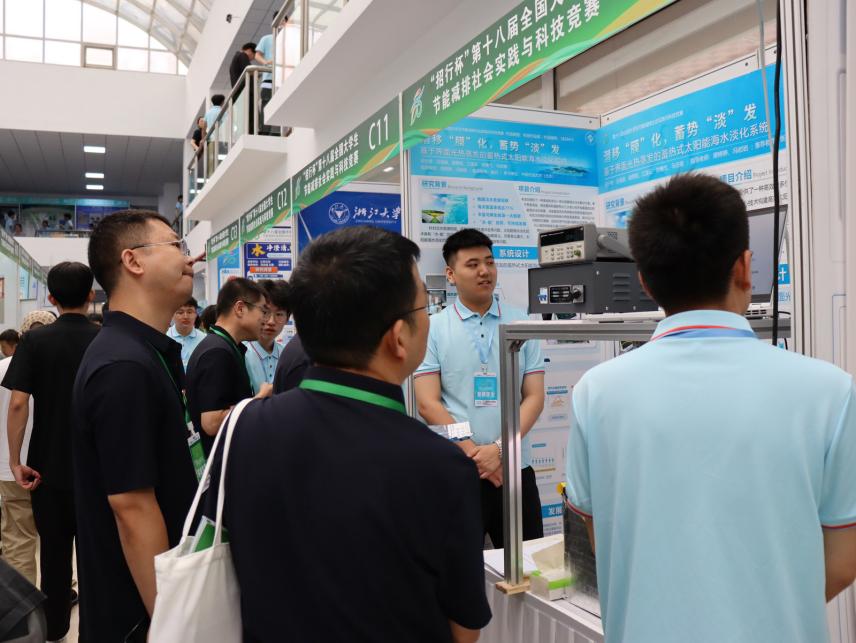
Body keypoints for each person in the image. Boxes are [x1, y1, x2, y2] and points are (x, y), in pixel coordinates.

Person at [565, 174, 856, 643]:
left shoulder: (594, 393)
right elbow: (842, 562)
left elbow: (605, 544)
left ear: (644, 282)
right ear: (745, 267)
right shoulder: (830, 392)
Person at [207, 226, 491, 641]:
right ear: (398, 337)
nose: (429, 317)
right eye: (423, 306)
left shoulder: (243, 428)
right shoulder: (440, 467)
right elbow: (464, 630)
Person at [72, 210, 202, 642]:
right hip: (136, 614)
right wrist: (171, 626)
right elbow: (132, 508)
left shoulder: (143, 352)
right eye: (176, 245)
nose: (189, 258)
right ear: (133, 260)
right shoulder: (123, 366)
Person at [414, 229, 545, 548]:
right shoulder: (433, 328)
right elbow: (428, 404)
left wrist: (498, 450)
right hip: (457, 471)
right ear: (451, 274)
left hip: (514, 470)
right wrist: (475, 454)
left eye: (489, 262)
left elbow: (534, 397)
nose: (484, 271)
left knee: (526, 566)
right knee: (456, 570)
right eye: (472, 264)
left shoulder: (522, 324)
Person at [2, 263, 99, 643]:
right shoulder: (104, 338)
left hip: (47, 467)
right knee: (95, 555)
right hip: (95, 467)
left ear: (51, 297)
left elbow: (18, 403)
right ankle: (94, 629)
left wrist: (15, 461)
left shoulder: (35, 342)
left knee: (54, 558)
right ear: (90, 295)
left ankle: (55, 629)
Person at [186, 278, 271, 452]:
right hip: (218, 460)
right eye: (263, 311)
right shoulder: (217, 352)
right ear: (240, 308)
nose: (266, 320)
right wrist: (259, 399)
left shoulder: (223, 346)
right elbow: (211, 423)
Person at [0, 319, 38, 585]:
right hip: (50, 464)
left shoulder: (3, 367)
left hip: (9, 467)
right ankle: (60, 593)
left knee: (17, 539)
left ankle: (25, 603)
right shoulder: (60, 367)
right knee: (58, 538)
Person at [244, 280, 289, 393]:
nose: (271, 321)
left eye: (279, 314)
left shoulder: (287, 354)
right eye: (265, 312)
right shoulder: (242, 353)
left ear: (287, 318)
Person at [167, 297, 205, 371]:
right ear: (173, 314)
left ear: (196, 314)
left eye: (189, 312)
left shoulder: (203, 339)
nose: (185, 316)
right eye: (180, 312)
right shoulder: (166, 336)